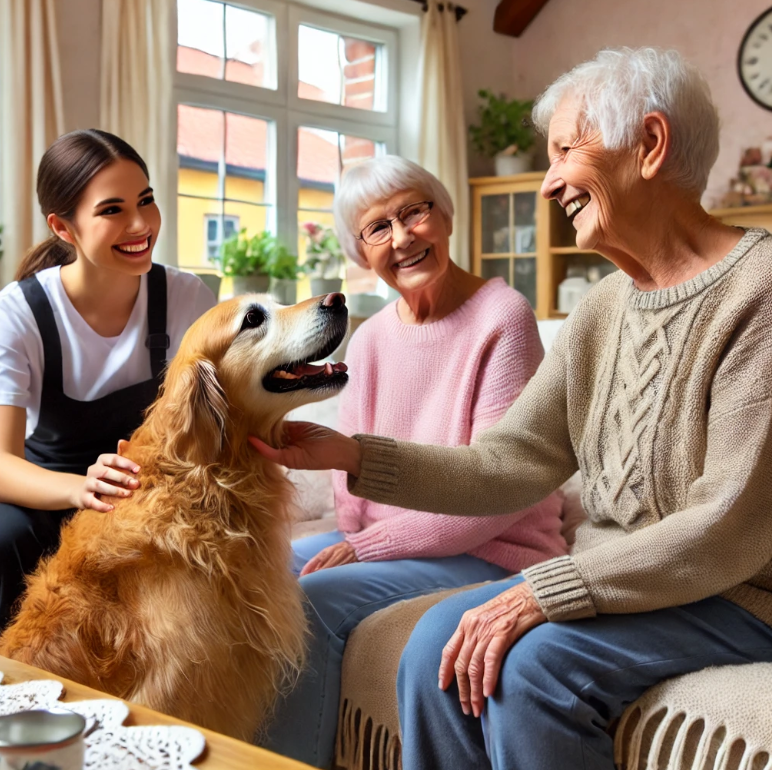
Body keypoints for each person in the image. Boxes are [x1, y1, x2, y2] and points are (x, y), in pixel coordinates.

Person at [251, 47, 772, 770]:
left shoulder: (760, 293)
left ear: (650, 146)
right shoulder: (603, 308)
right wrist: (352, 455)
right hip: (630, 577)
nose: (550, 181)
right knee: (440, 645)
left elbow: (724, 527)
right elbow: (513, 459)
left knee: (532, 670)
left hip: (736, 595)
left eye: (565, 151)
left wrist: (548, 589)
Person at [261, 156, 565, 768]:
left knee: (313, 598)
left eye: (413, 212)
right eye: (378, 228)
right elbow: (350, 482)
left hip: (490, 548)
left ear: (444, 216)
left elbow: (493, 495)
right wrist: (355, 539)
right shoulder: (371, 338)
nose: (401, 238)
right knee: (254, 572)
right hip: (403, 547)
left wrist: (366, 549)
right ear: (360, 250)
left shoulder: (502, 318)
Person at [0, 129, 216, 629]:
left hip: (151, 496)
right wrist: (82, 490)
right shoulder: (20, 312)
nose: (141, 224)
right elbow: (4, 464)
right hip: (48, 498)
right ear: (63, 227)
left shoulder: (186, 298)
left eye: (146, 200)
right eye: (112, 209)